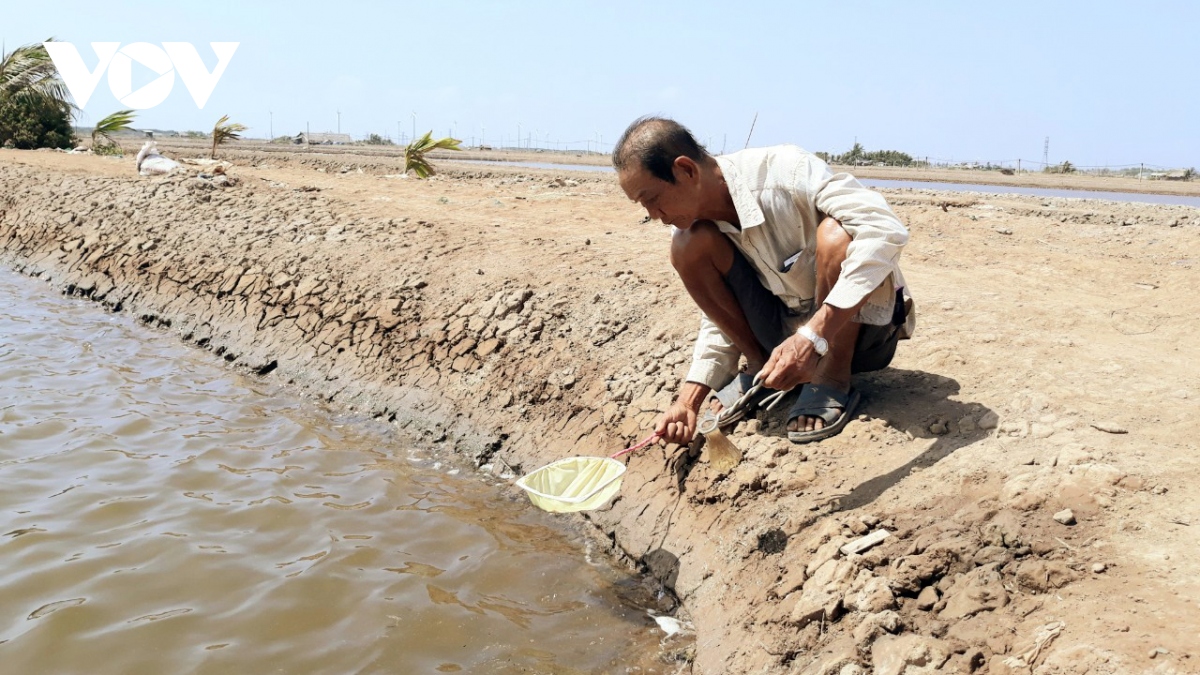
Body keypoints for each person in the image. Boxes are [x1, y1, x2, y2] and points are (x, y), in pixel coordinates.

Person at [612, 116, 916, 445]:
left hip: (864, 335)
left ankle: (830, 378)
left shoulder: (787, 173)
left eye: (652, 199)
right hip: (784, 338)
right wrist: (688, 401)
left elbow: (885, 229)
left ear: (686, 170)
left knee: (838, 233)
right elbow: (718, 312)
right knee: (688, 245)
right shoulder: (692, 220)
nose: (652, 214)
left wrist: (813, 338)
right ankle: (760, 367)